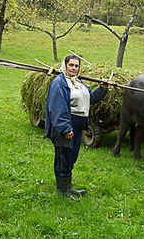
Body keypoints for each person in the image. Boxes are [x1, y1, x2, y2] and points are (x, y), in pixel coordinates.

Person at [44, 55, 108, 201]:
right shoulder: (59, 83)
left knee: (71, 157)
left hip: (78, 126)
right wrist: (66, 128)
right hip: (66, 125)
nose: (74, 68)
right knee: (63, 157)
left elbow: (90, 98)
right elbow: (57, 108)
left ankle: (68, 186)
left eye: (76, 66)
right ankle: (62, 190)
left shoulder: (78, 83)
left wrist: (102, 89)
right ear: (65, 66)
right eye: (71, 65)